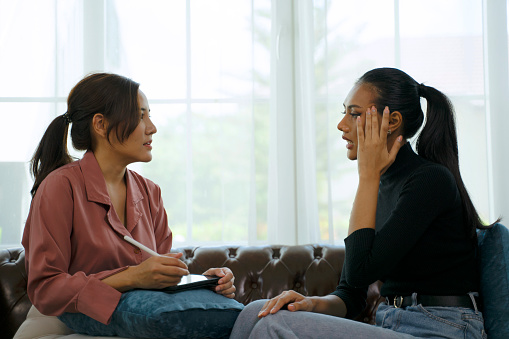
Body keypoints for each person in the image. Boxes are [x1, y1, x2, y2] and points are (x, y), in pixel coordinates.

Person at [229, 67, 495, 339]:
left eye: (354, 113)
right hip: (392, 325)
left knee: (274, 325)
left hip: (442, 328)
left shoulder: (429, 181)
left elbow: (360, 272)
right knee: (257, 311)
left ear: (392, 121)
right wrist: (311, 303)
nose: (342, 125)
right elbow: (351, 293)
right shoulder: (377, 186)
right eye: (344, 112)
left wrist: (368, 176)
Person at [21, 73, 243, 338]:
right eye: (140, 116)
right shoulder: (60, 187)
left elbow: (156, 281)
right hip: (63, 319)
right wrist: (132, 277)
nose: (152, 127)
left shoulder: (150, 193)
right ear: (101, 125)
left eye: (149, 115)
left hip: (136, 319)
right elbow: (46, 288)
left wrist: (200, 284)